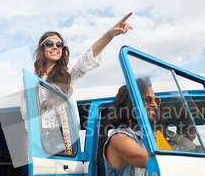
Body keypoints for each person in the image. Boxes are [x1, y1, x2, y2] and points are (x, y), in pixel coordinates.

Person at [21, 12, 133, 154]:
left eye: (59, 44)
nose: (55, 47)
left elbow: (87, 58)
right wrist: (47, 102)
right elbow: (26, 113)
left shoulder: (68, 75)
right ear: (42, 48)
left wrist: (110, 34)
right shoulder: (31, 79)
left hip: (62, 137)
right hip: (37, 139)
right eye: (49, 43)